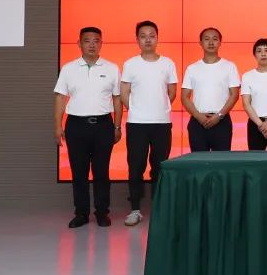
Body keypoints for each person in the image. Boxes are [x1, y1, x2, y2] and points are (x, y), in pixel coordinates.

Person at [54, 26, 121, 229]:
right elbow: (60, 98)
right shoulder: (68, 68)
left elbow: (117, 100)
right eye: (87, 41)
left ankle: (102, 213)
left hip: (103, 125)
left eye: (96, 41)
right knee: (79, 172)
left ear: (101, 43)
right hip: (76, 126)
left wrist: (117, 126)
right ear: (79, 43)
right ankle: (81, 213)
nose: (92, 45)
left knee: (101, 172)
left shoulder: (112, 68)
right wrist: (57, 126)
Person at [119, 20, 178, 227]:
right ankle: (135, 210)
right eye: (143, 36)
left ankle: (159, 208)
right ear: (137, 40)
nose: (148, 40)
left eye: (152, 36)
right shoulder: (130, 64)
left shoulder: (168, 63)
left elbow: (172, 92)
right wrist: (137, 109)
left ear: (157, 38)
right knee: (136, 166)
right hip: (137, 124)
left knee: (160, 167)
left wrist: (158, 108)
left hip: (161, 123)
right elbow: (124, 93)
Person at [181, 27, 240, 152]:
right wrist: (199, 117)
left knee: (221, 162)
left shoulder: (229, 66)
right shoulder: (192, 68)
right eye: (207, 39)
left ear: (220, 42)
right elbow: (184, 97)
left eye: (215, 39)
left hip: (221, 121)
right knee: (198, 161)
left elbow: (234, 95)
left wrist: (219, 116)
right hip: (198, 121)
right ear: (200, 43)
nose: (211, 42)